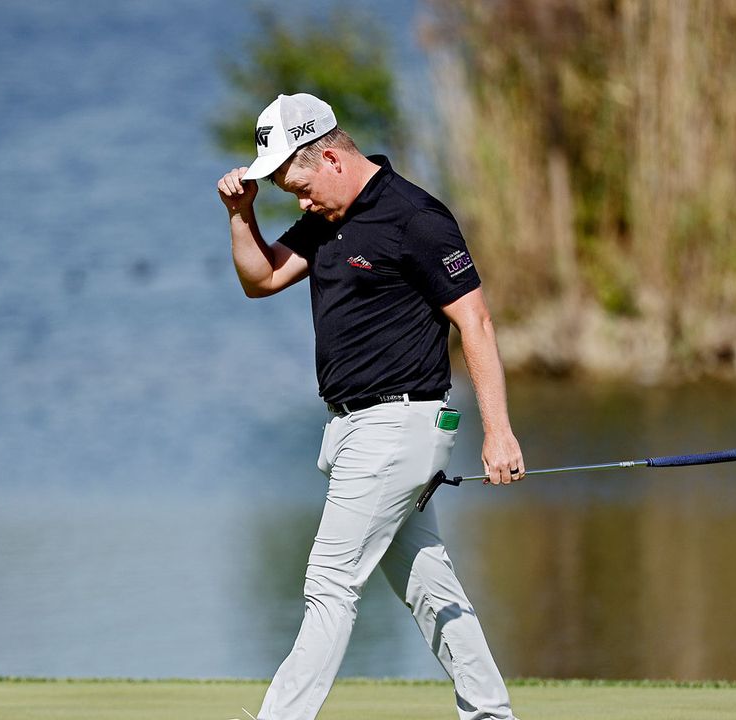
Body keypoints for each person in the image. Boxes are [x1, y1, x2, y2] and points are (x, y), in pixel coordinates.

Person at [216, 93, 526, 720]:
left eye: (297, 186)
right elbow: (262, 279)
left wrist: (499, 433)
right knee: (427, 583)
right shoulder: (330, 219)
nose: (298, 202)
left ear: (330, 157)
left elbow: (477, 322)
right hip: (357, 429)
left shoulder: (415, 217)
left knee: (330, 583)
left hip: (398, 426)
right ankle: (492, 714)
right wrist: (241, 216)